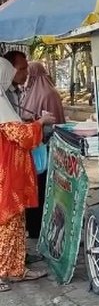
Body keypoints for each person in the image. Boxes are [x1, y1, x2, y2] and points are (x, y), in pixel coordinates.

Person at [0, 58, 54, 291]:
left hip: (12, 169)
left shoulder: (4, 99)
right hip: (7, 171)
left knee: (16, 219)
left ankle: (15, 268)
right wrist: (40, 122)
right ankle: (4, 270)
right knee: (7, 220)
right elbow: (21, 136)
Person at [21, 61, 65, 240]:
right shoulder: (47, 92)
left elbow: (53, 123)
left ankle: (36, 228)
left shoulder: (40, 93)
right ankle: (39, 227)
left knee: (39, 190)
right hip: (40, 149)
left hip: (40, 149)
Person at [2, 49, 29, 114]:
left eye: (26, 68)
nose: (27, 73)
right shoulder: (3, 94)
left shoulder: (17, 91)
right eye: (22, 69)